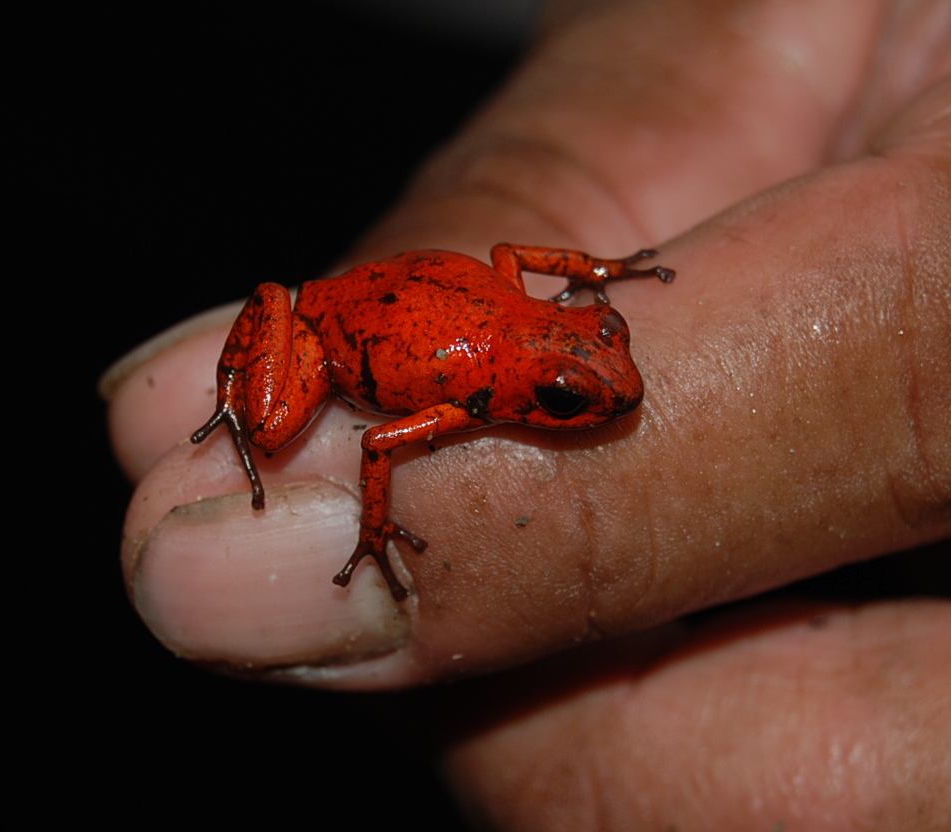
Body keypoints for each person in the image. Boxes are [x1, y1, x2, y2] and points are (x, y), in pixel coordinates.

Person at [103, 0, 950, 827]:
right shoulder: (467, 400)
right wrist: (371, 526)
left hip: (413, 288)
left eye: (602, 328)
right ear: (520, 397)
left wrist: (600, 269)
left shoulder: (521, 315)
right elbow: (382, 444)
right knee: (279, 428)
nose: (613, 383)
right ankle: (229, 399)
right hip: (325, 335)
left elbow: (510, 254)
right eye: (565, 400)